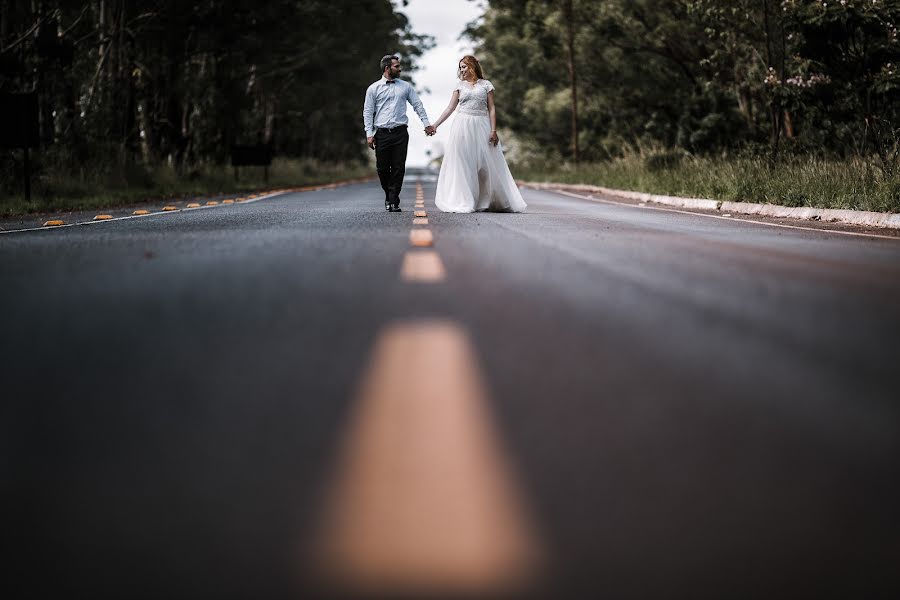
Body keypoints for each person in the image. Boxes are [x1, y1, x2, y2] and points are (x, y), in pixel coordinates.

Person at [431, 55, 526, 213]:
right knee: (464, 164)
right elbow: (450, 108)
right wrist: (435, 125)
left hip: (481, 124)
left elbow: (492, 108)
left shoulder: (486, 85)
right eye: (460, 67)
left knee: (484, 164)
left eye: (465, 66)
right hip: (462, 125)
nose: (462, 70)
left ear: (473, 66)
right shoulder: (459, 86)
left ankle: (486, 200)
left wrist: (493, 130)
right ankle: (465, 200)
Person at [363, 54, 435, 212]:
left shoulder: (405, 87)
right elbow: (368, 112)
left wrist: (426, 124)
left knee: (398, 167)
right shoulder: (373, 89)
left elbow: (418, 105)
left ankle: (393, 200)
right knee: (382, 168)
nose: (400, 68)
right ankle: (389, 195)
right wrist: (369, 133)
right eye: (396, 66)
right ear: (387, 68)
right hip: (381, 133)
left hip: (400, 133)